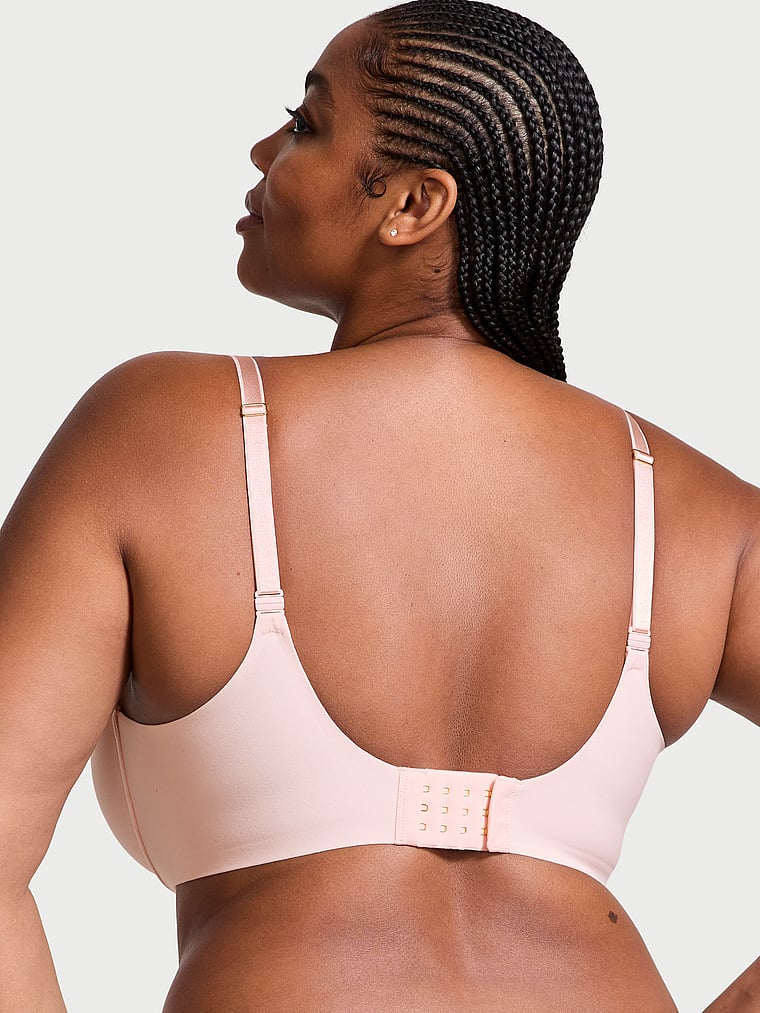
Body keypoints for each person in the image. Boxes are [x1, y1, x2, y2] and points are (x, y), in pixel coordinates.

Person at [1, 0, 758, 1009]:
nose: (265, 150)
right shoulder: (700, 513)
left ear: (413, 204)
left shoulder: (156, 428)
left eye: (305, 123)